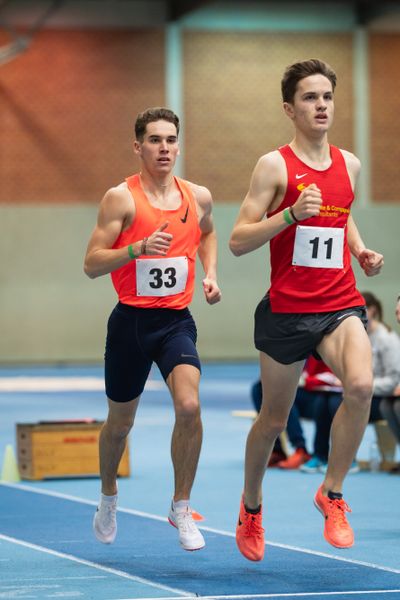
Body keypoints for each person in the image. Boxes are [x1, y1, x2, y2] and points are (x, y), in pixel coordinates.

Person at [229, 58, 384, 561]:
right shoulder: (274, 166)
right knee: (273, 419)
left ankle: (332, 493)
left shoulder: (350, 164)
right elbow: (237, 240)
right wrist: (289, 215)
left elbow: (341, 212)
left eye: (327, 97)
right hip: (288, 311)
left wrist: (358, 248)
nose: (321, 106)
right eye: (310, 98)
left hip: (340, 301)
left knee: (360, 386)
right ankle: (251, 504)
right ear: (289, 109)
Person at [84, 107, 221, 552]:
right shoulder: (120, 198)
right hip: (130, 323)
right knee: (120, 425)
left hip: (175, 321)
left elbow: (208, 233)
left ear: (179, 145)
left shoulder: (197, 196)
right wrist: (137, 248)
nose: (164, 148)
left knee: (189, 405)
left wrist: (210, 272)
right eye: (155, 140)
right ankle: (108, 496)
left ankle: (181, 507)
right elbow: (91, 263)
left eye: (171, 140)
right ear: (138, 145)